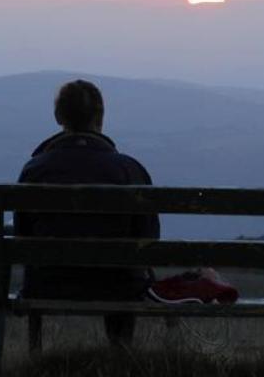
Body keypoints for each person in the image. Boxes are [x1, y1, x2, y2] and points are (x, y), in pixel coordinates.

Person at [14, 79, 159, 347]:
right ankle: (120, 353)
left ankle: (36, 357)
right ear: (100, 117)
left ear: (59, 117)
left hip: (47, 284)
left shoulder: (35, 170)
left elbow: (23, 235)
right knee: (125, 271)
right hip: (118, 287)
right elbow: (148, 238)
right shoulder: (130, 171)